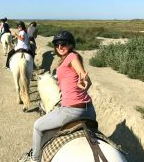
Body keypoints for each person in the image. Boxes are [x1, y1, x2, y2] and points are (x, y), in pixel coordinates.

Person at [23, 31, 96, 162]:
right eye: (57, 44)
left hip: (71, 110)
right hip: (89, 110)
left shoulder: (72, 57)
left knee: (38, 127)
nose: (60, 47)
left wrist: (85, 81)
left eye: (63, 44)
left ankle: (35, 158)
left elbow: (83, 76)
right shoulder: (66, 59)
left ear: (71, 45)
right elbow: (71, 78)